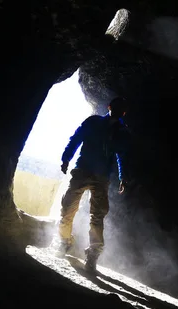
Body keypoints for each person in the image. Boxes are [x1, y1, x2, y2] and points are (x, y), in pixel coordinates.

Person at [55, 97, 130, 272]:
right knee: (67, 209)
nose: (119, 111)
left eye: (122, 109)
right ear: (109, 106)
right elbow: (76, 138)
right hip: (82, 171)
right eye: (117, 107)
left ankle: (92, 255)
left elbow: (122, 155)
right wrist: (66, 158)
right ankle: (65, 241)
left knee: (97, 217)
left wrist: (123, 176)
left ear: (124, 113)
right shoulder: (93, 122)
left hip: (101, 177)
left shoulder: (122, 132)